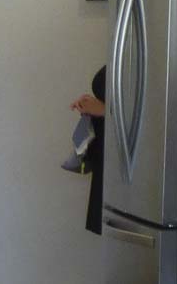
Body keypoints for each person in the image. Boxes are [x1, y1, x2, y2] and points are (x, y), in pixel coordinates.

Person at [71, 66, 107, 234]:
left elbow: (152, 113)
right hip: (108, 157)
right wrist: (93, 105)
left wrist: (105, 110)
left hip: (125, 164)